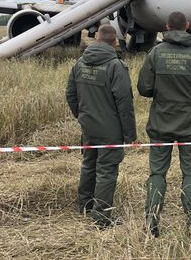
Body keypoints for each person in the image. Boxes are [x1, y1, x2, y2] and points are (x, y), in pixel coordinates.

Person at [138, 11, 191, 237]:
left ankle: (152, 221)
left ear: (167, 26)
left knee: (157, 174)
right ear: (188, 26)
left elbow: (144, 89)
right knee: (190, 174)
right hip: (190, 125)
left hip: (161, 125)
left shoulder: (155, 53)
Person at [65, 24, 136, 228]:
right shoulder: (116, 66)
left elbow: (70, 94)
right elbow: (125, 103)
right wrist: (130, 135)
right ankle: (102, 217)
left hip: (88, 126)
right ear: (114, 42)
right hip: (110, 129)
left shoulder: (80, 63)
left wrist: (82, 116)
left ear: (96, 39)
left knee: (89, 164)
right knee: (106, 171)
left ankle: (85, 206)